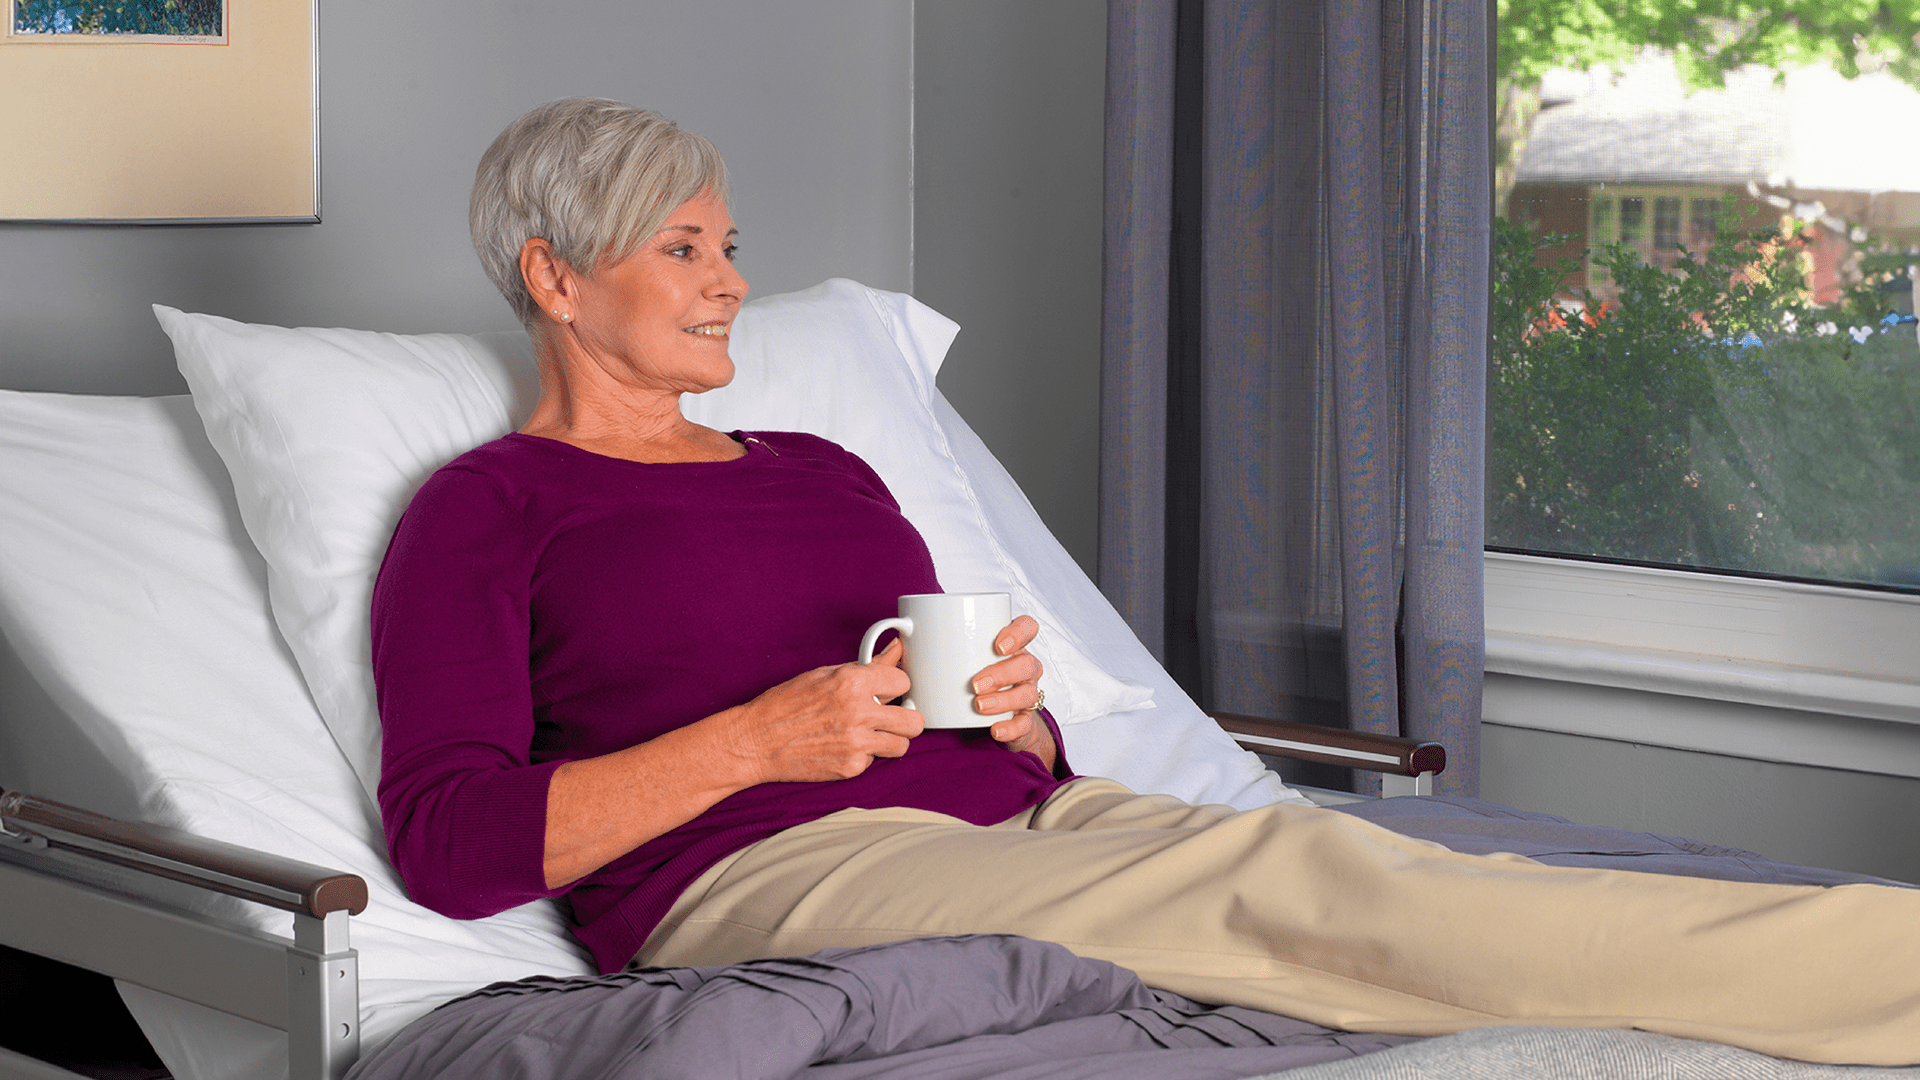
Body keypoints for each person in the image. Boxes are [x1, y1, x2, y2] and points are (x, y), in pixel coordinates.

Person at [372, 98, 1920, 1067]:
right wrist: (759, 744)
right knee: (1295, 885)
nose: (732, 284)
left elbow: (964, 727)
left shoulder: (819, 470)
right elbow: (449, 846)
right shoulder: (491, 510)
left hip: (1026, 816)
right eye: (685, 250)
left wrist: (1012, 722)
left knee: (1384, 877)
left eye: (731, 245)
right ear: (554, 276)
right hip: (762, 881)